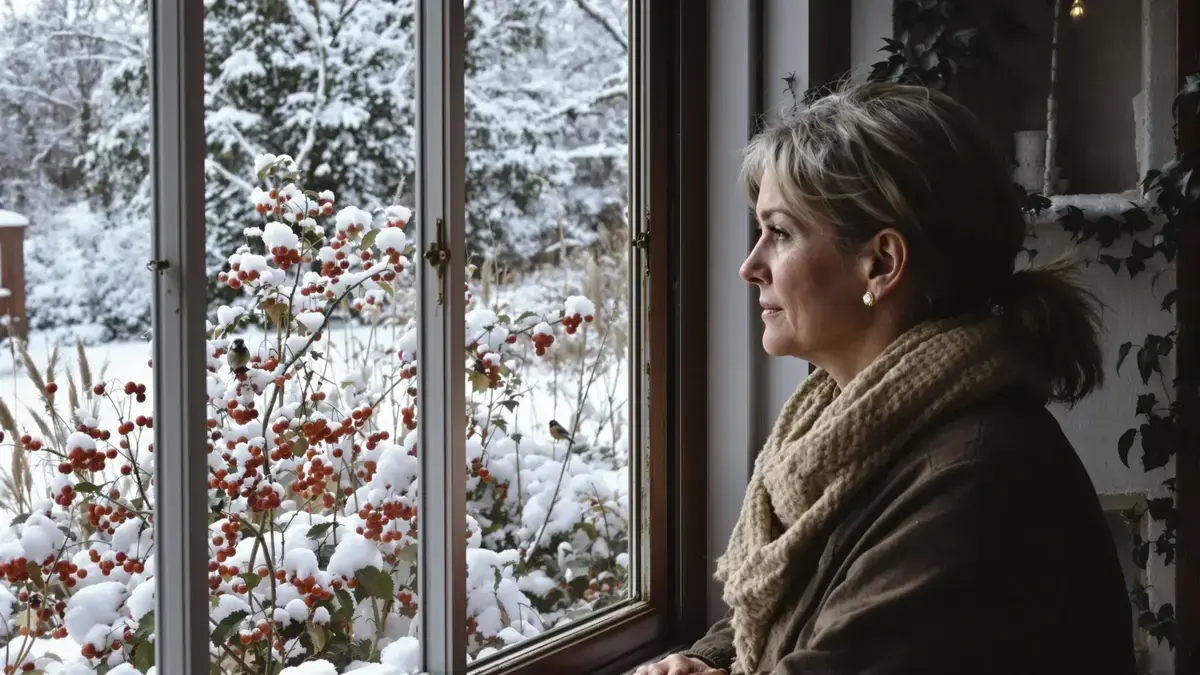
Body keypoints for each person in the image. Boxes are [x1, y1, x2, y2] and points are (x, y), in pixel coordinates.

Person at [635, 82, 1135, 674]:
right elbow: (798, 599)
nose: (750, 266)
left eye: (781, 233)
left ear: (882, 263)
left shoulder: (976, 473)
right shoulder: (856, 427)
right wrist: (705, 660)